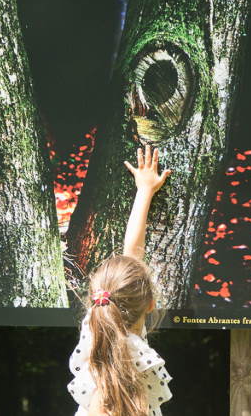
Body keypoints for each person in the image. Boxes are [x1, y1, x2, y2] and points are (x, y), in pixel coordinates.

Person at [67, 144, 174, 416]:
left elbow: (132, 256)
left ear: (97, 297)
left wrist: (144, 191)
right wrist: (145, 191)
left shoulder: (97, 329)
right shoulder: (135, 359)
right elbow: (132, 256)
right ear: (150, 305)